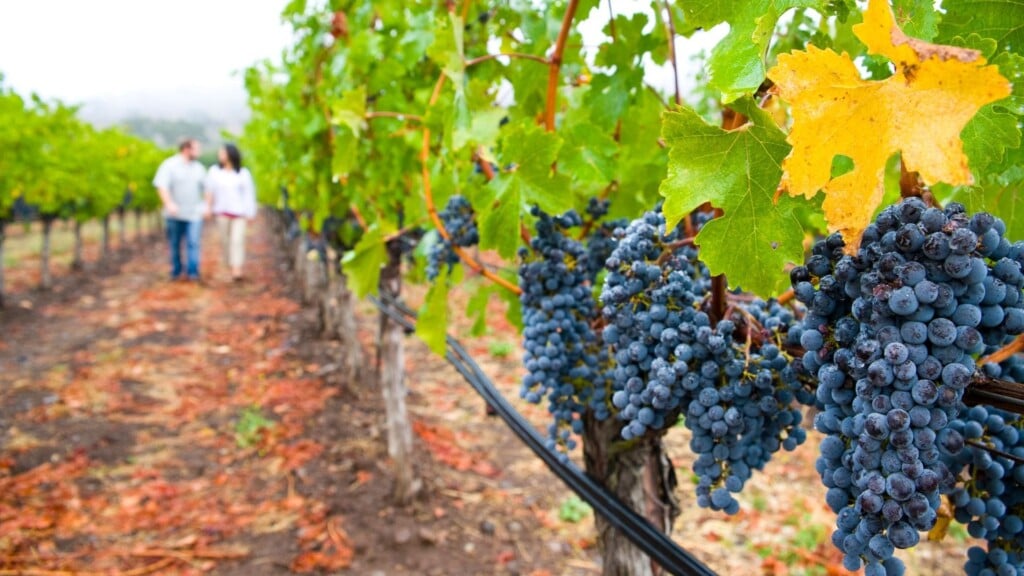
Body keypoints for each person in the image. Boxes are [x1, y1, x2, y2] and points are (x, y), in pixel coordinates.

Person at [153, 139, 207, 281]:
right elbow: (161, 186)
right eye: (196, 149)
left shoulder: (199, 168)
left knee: (193, 242)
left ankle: (193, 272)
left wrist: (206, 206)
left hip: (194, 213)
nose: (199, 152)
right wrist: (169, 203)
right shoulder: (169, 165)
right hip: (174, 214)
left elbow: (207, 189)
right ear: (186, 149)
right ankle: (176, 271)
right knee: (175, 243)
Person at [204, 143, 256, 281]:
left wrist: (250, 213)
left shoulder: (243, 173)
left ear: (230, 154)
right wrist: (208, 207)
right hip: (222, 212)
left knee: (237, 240)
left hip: (239, 213)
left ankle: (236, 269)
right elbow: (209, 191)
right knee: (225, 241)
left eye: (222, 153)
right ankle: (230, 263)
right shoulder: (214, 172)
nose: (220, 156)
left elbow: (248, 194)